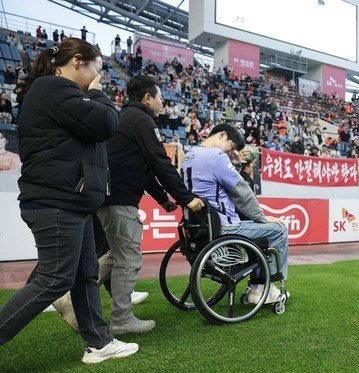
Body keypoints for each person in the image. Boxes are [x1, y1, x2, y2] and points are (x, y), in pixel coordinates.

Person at [0, 38, 139, 364]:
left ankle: (100, 343)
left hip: (66, 201)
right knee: (55, 279)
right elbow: (107, 123)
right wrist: (97, 92)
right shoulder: (55, 89)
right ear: (78, 61)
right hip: (56, 202)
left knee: (83, 275)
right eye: (97, 68)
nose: (98, 76)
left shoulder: (55, 91)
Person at [96, 75, 204, 335]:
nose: (162, 103)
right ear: (147, 98)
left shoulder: (125, 119)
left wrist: (162, 199)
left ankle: (69, 293)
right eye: (160, 98)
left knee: (113, 255)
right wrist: (186, 198)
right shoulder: (142, 120)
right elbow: (160, 164)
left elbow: (143, 170)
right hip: (120, 200)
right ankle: (121, 319)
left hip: (108, 197)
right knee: (128, 258)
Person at [181, 124, 289, 304]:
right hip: (224, 227)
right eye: (231, 148)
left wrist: (235, 165)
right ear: (222, 135)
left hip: (199, 228)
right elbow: (242, 192)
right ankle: (262, 288)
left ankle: (257, 285)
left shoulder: (189, 155)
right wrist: (261, 218)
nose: (230, 153)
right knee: (278, 229)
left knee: (258, 231)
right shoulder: (216, 156)